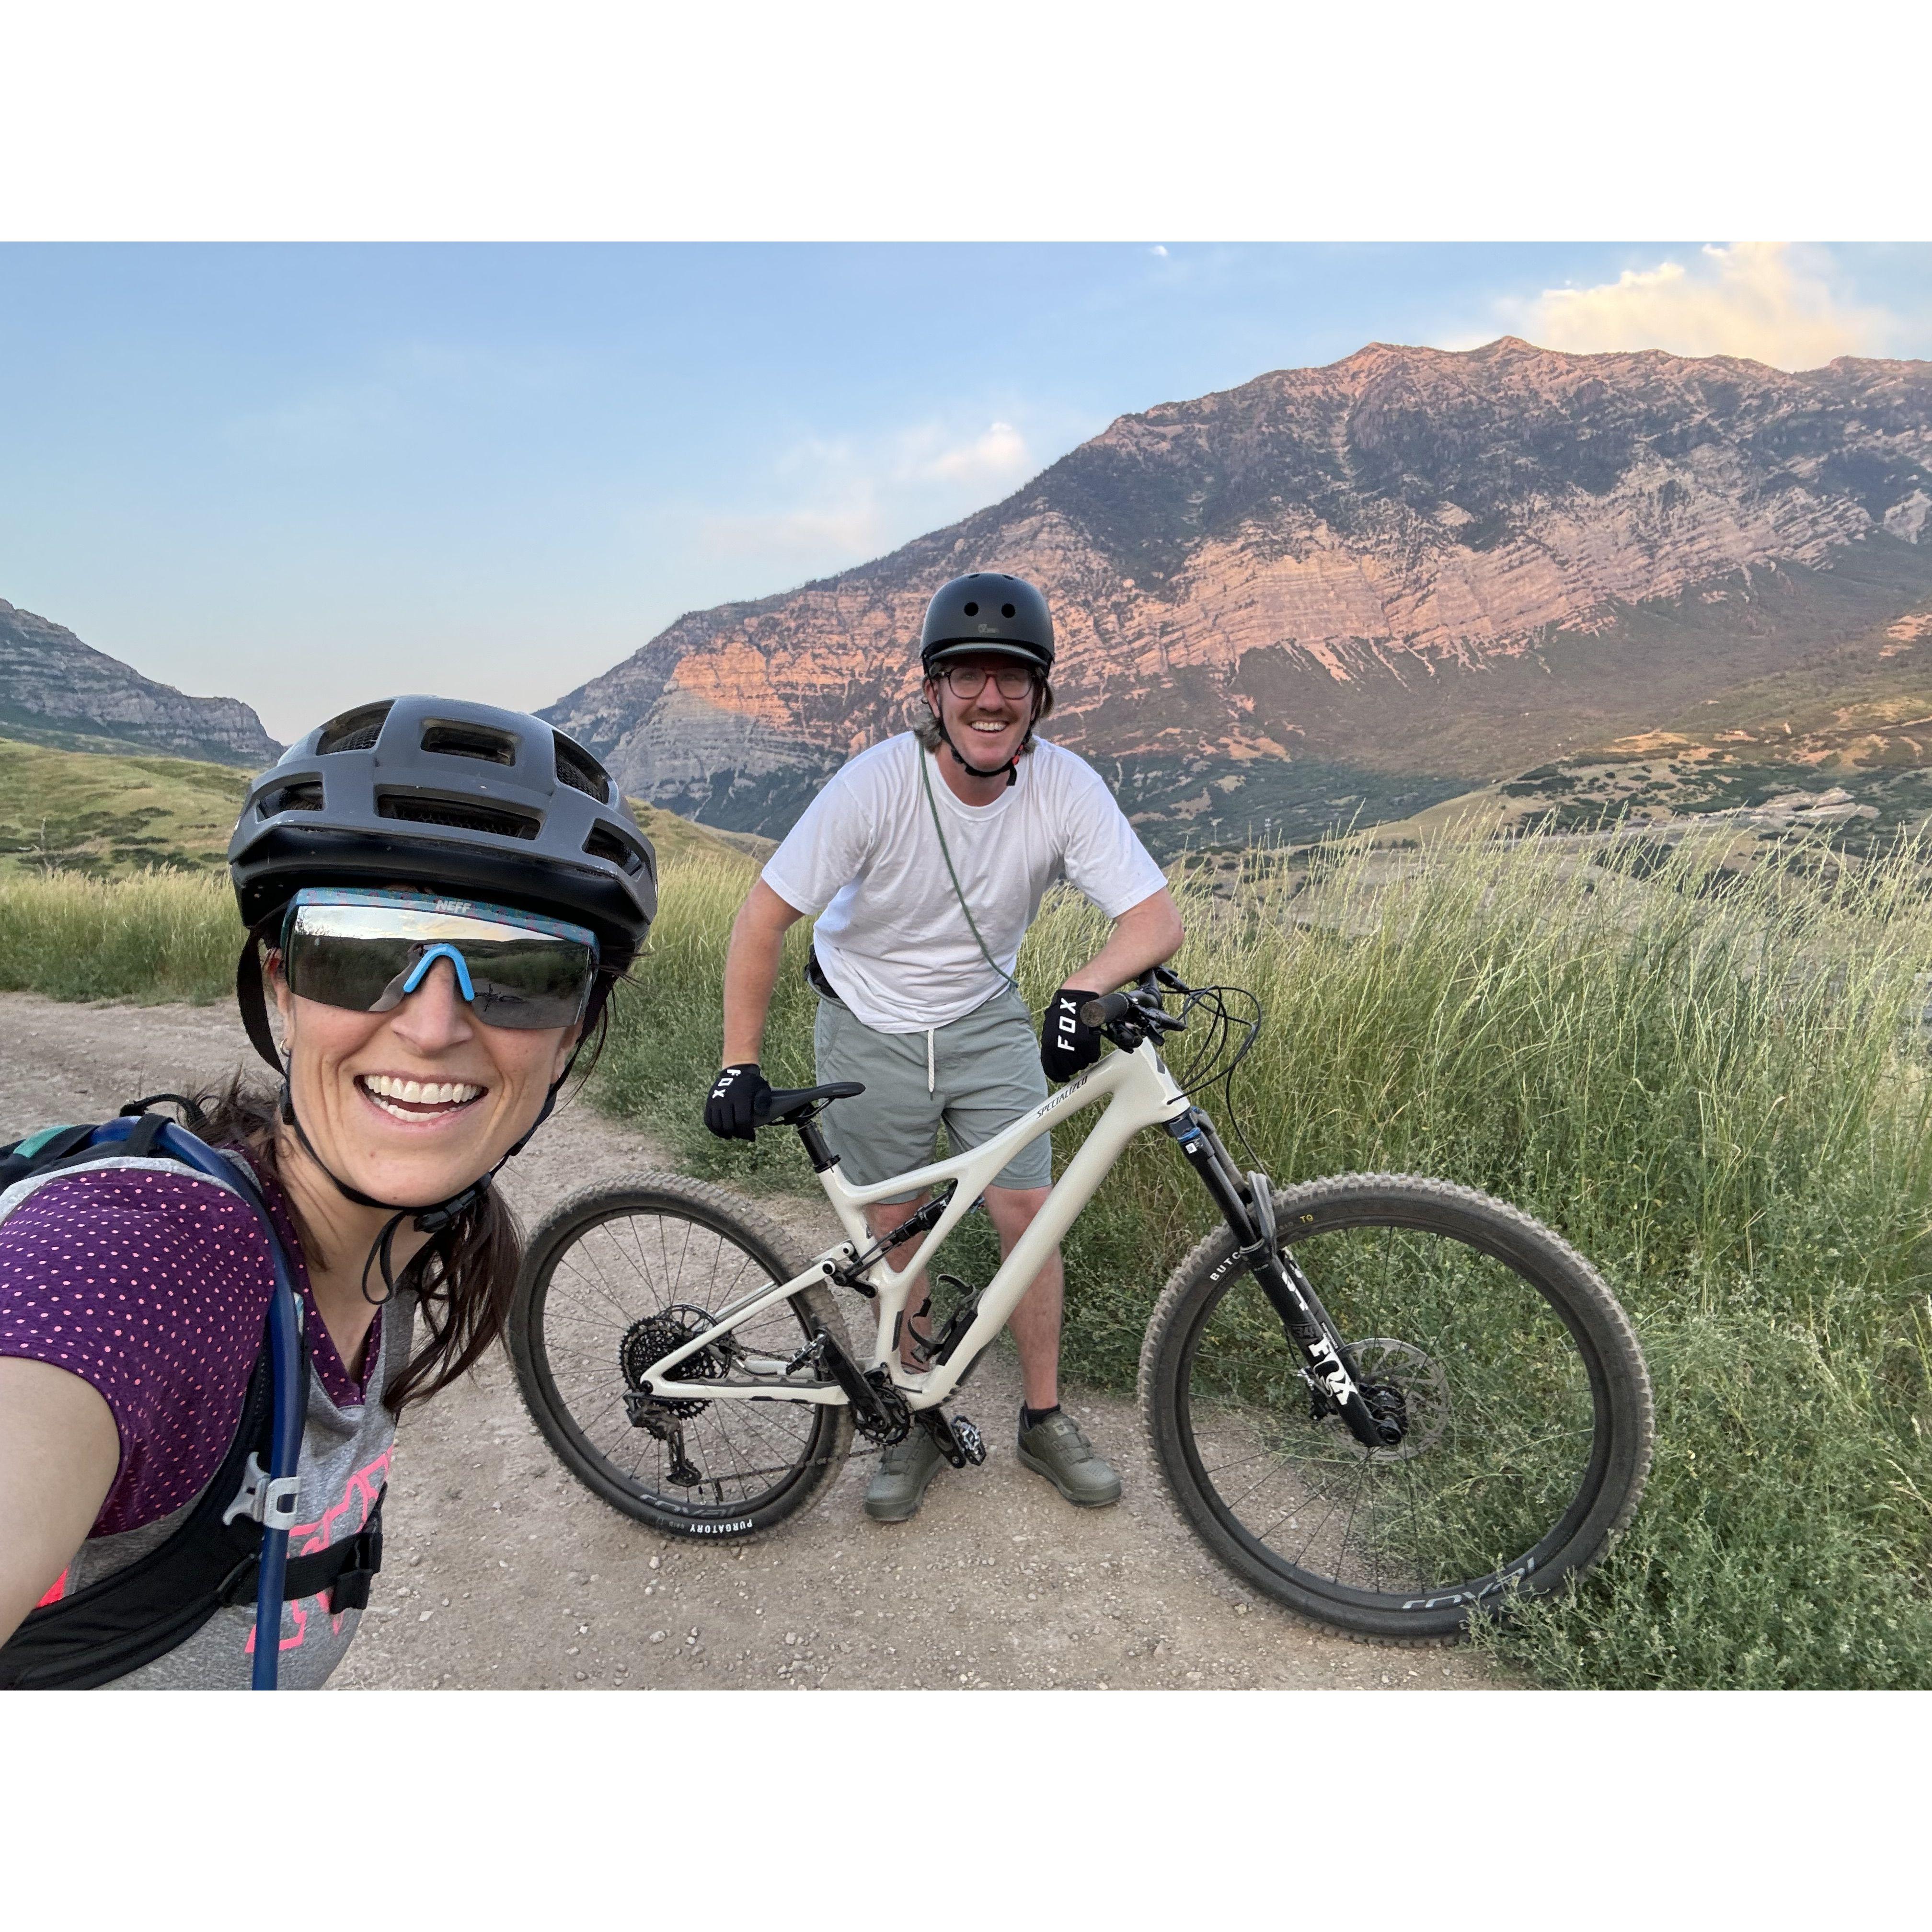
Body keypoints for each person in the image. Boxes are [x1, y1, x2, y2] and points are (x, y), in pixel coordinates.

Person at [0, 697, 656, 1688]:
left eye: (520, 971)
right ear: (280, 983)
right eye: (360, 954)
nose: (432, 1026)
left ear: (571, 1035)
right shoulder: (141, 1261)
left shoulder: (405, 1247)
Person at [704, 571, 1183, 1523]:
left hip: (982, 1019)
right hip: (868, 1022)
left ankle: (1043, 1418)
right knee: (900, 1235)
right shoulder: (877, 785)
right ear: (933, 692)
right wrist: (739, 1061)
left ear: (1041, 696)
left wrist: (1083, 989)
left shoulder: (1063, 787)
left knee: (1029, 1216)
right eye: (967, 677)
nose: (990, 698)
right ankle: (918, 1418)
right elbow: (763, 918)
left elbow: (1154, 919)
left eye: (1013, 679)